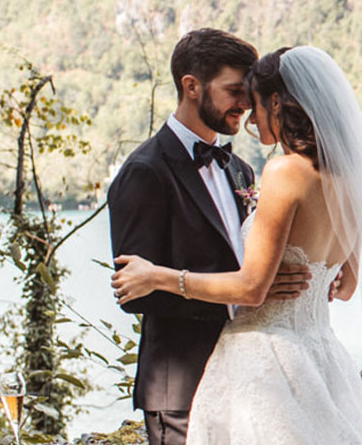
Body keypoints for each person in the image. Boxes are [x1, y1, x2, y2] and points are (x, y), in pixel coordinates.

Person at [112, 46, 362, 445]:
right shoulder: (351, 179)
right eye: (237, 95)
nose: (250, 117)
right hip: (321, 359)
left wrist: (159, 276)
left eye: (252, 101)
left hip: (269, 362)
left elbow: (252, 287)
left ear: (277, 104)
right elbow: (344, 286)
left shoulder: (278, 172)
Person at [105, 29, 315, 445]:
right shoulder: (145, 171)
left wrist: (269, 282)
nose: (246, 104)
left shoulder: (241, 171)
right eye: (235, 90)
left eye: (249, 92)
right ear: (191, 86)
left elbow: (249, 264)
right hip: (181, 389)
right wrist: (246, 291)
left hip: (248, 376)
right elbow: (137, 294)